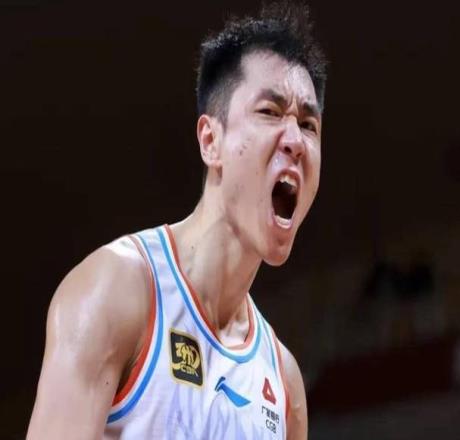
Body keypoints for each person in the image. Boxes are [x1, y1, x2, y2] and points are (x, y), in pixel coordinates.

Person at [27, 2, 327, 439]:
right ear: (210, 140)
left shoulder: (283, 382)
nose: (295, 140)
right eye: (270, 112)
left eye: (309, 124)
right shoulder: (116, 291)